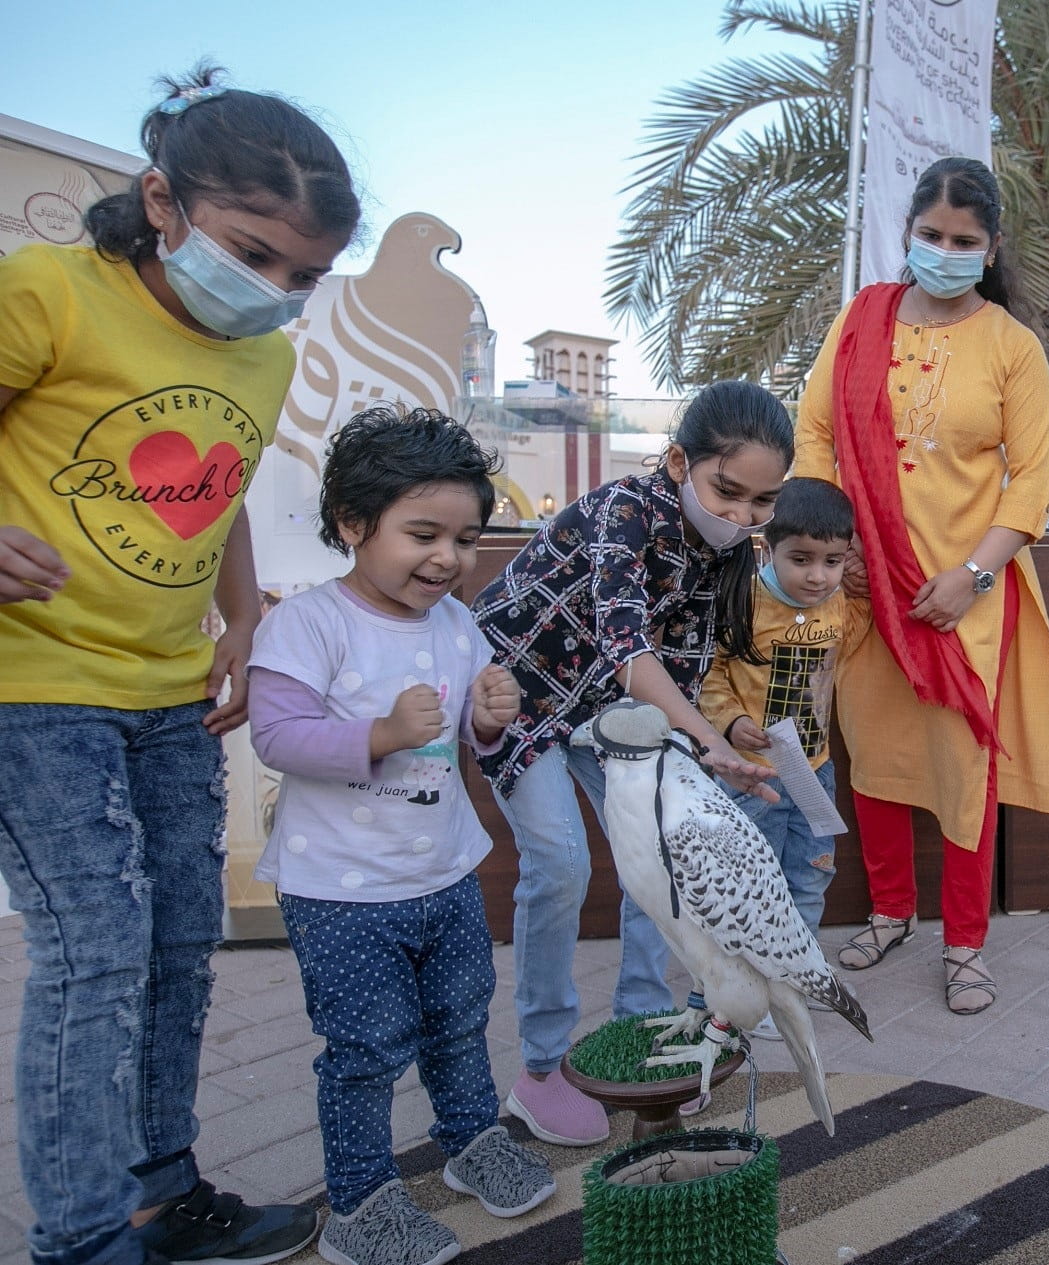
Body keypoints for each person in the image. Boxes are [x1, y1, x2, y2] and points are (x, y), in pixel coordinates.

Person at [0, 68, 359, 1265]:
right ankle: (83, 1237)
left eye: (303, 276)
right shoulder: (47, 290)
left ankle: (162, 1193)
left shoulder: (260, 359)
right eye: (253, 254)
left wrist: (246, 619)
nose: (275, 292)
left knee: (174, 945)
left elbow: (218, 488)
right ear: (163, 201)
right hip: (32, 683)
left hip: (169, 688)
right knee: (94, 949)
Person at [247, 408, 556, 1265]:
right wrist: (377, 734)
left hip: (446, 873)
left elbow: (465, 738)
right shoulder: (308, 625)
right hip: (341, 893)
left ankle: (469, 1142)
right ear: (353, 523)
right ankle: (360, 1201)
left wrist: (488, 722)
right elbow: (275, 735)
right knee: (364, 1048)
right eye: (422, 533)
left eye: (464, 537)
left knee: (460, 1021)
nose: (447, 558)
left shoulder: (456, 624)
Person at [472, 379, 788, 1146]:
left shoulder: (723, 553)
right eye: (728, 491)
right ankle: (541, 1072)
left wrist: (711, 744)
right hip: (524, 693)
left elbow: (678, 672)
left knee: (663, 859)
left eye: (763, 500)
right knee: (559, 864)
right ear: (680, 462)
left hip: (611, 714)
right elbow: (627, 646)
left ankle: (643, 1024)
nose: (743, 516)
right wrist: (705, 745)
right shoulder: (625, 508)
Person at [794, 156, 1049, 1016]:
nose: (945, 251)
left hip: (964, 594)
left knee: (962, 762)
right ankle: (888, 911)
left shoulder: (1012, 347)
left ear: (990, 249)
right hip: (867, 583)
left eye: (964, 240)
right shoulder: (862, 318)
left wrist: (973, 575)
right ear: (907, 234)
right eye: (931, 236)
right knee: (872, 749)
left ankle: (965, 941)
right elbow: (813, 430)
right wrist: (839, 549)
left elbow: (1031, 482)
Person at [698, 475, 868, 939]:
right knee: (749, 878)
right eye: (801, 559)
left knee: (811, 876)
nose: (818, 576)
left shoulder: (839, 603)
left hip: (815, 771)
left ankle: (801, 971)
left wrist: (864, 591)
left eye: (832, 561)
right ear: (768, 546)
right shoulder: (743, 599)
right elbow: (709, 671)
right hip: (752, 775)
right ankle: (752, 977)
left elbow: (853, 640)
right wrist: (730, 722)